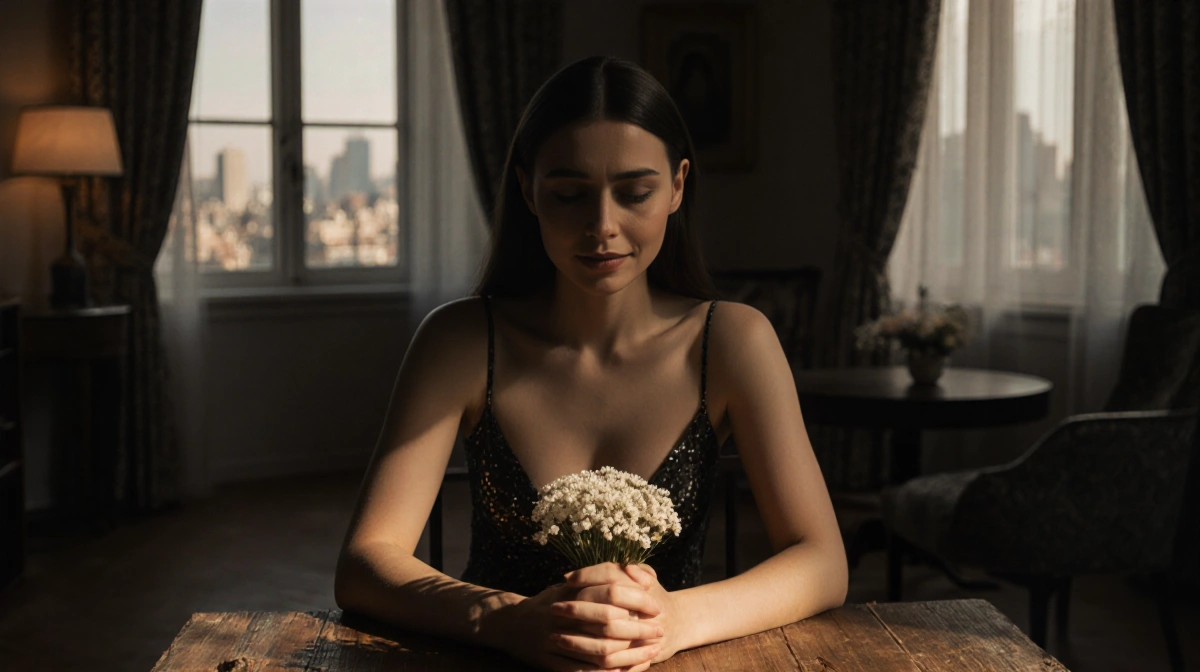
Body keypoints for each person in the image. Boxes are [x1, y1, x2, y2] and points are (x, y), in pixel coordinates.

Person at [334, 55, 847, 672]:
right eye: (570, 195)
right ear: (528, 189)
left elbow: (823, 561)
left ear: (678, 186)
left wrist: (678, 621)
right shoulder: (462, 340)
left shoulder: (733, 340)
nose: (602, 226)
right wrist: (508, 620)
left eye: (634, 192)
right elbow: (365, 562)